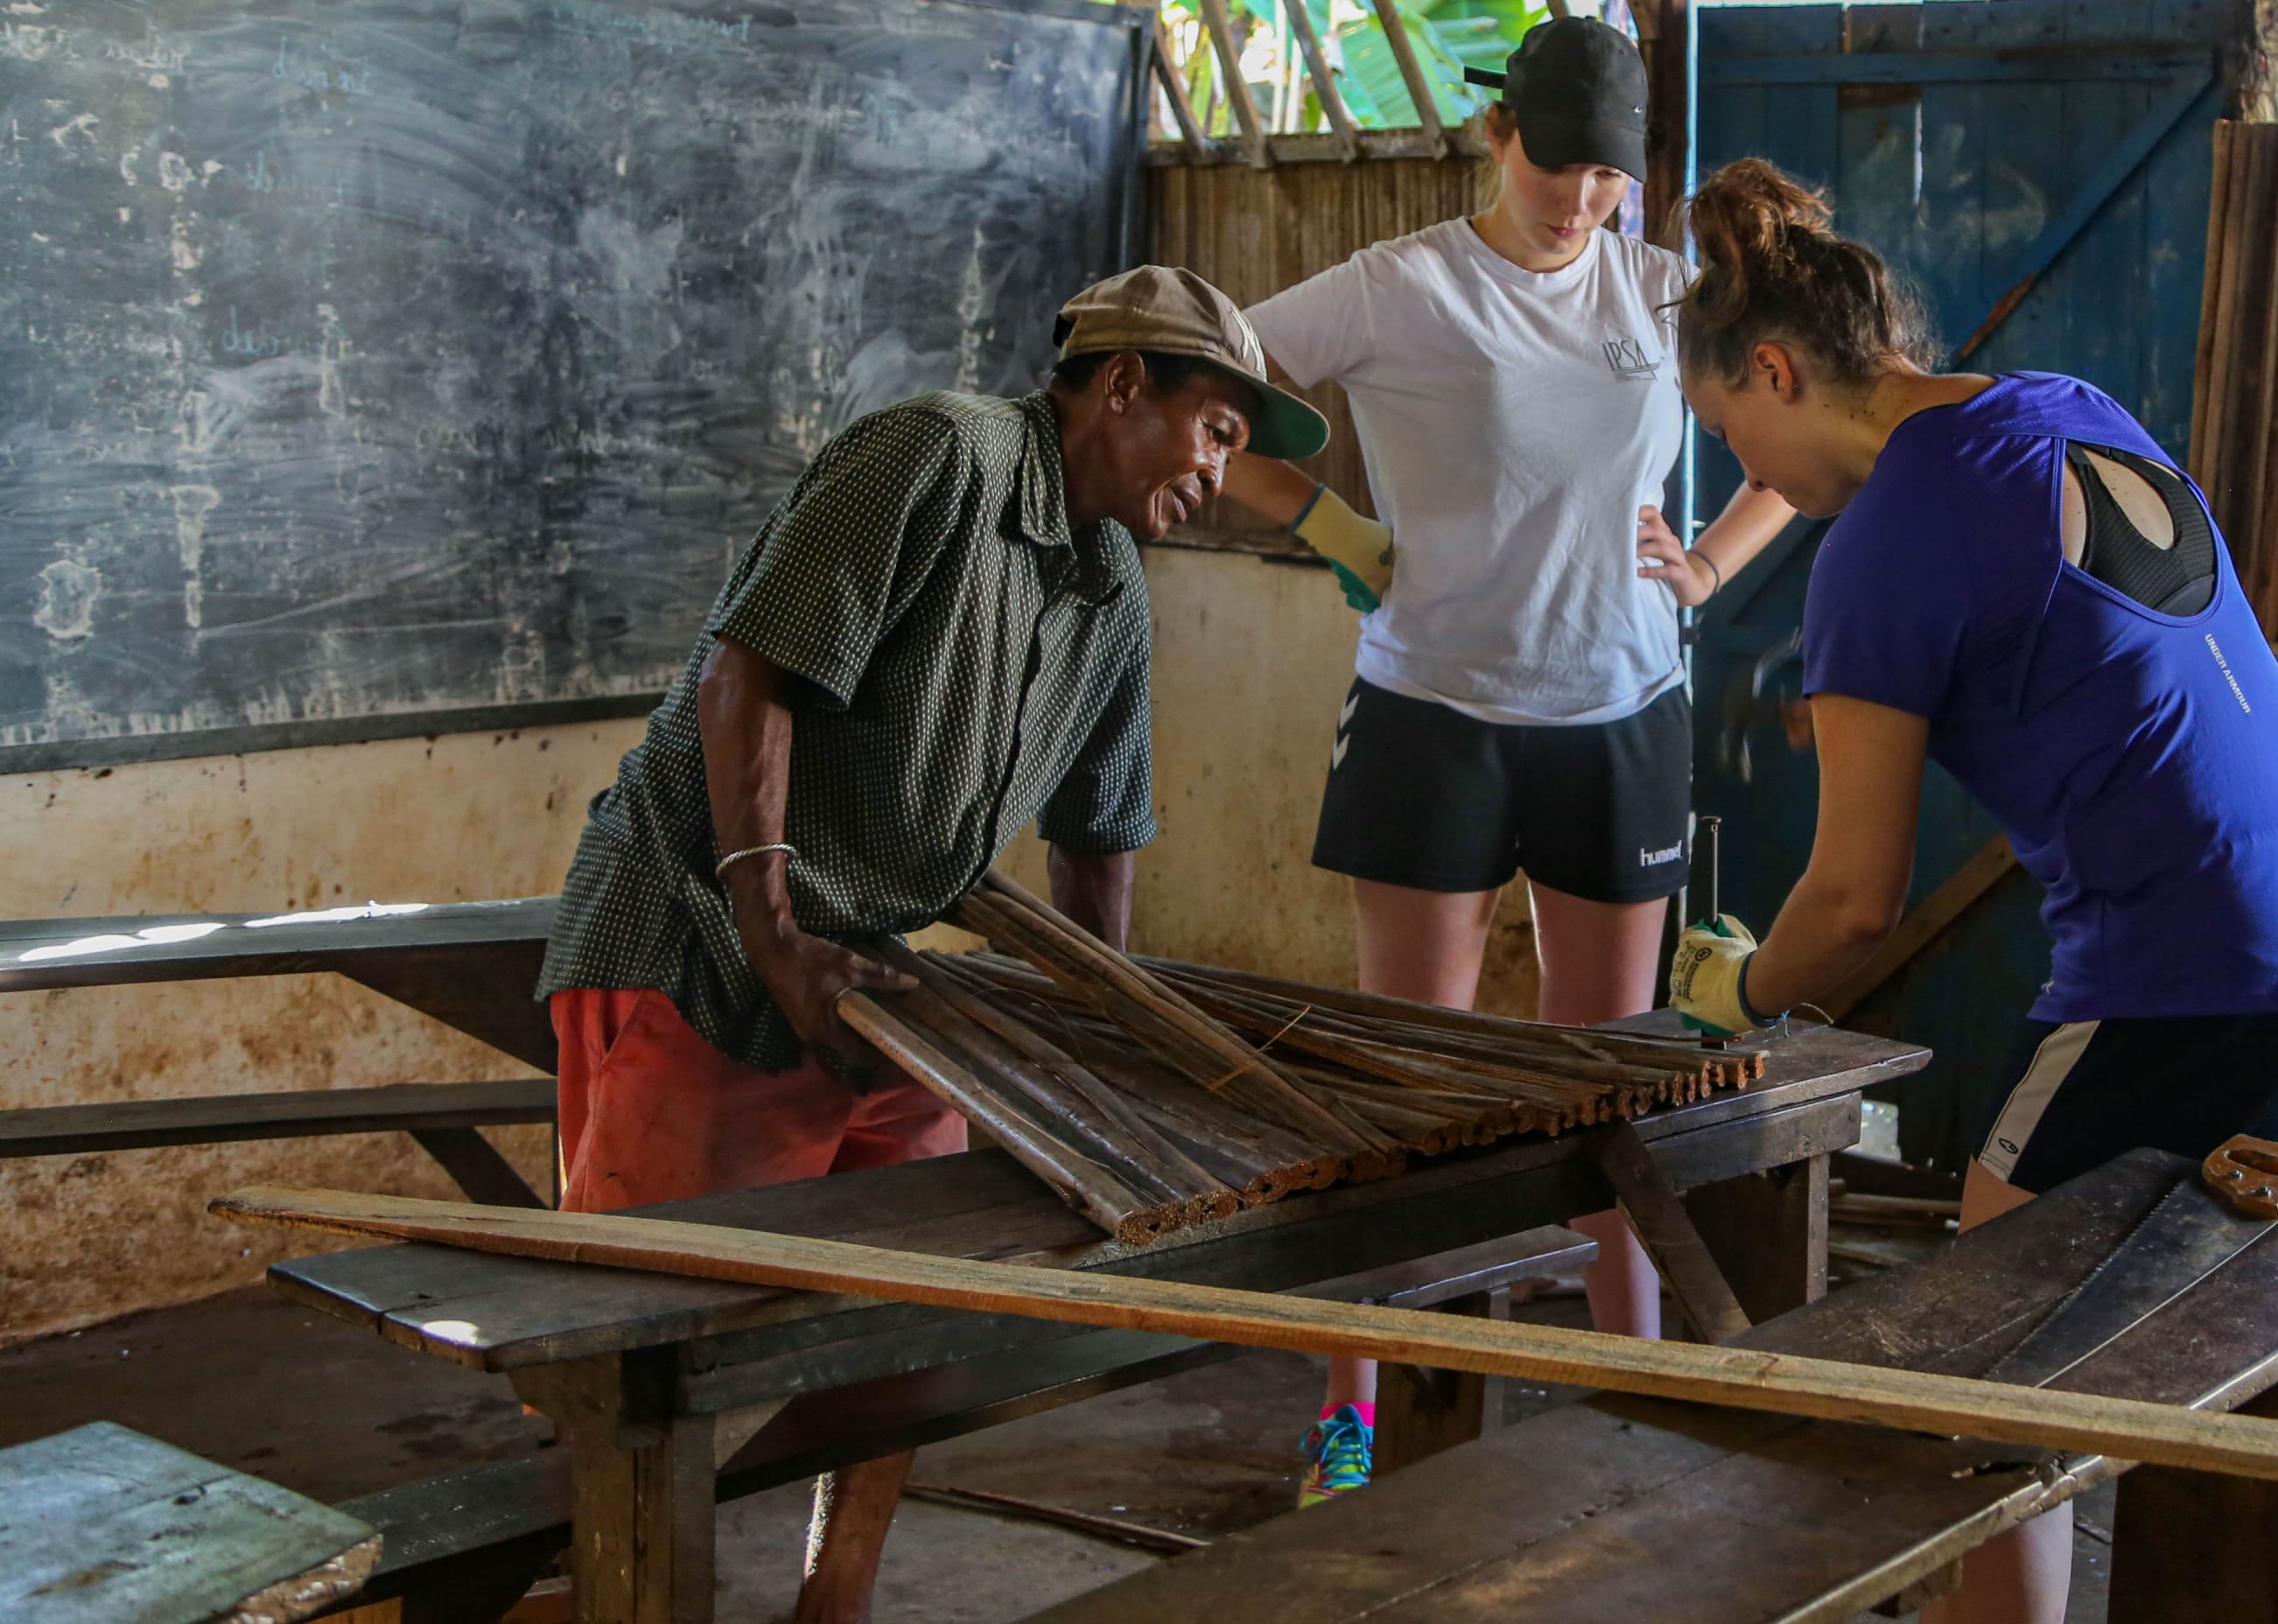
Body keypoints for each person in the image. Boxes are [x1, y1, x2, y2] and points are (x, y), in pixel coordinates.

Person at [1658, 160, 2278, 1624]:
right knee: (2267, 1386)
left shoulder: (1874, 545)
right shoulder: (2067, 405)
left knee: (1986, 1412)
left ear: (1773, 369)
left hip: (2192, 970)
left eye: (1730, 432)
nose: (1747, 474)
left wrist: (1734, 989)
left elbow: (1854, 904)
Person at [533, 265, 1325, 1621]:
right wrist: (772, 933)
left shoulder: (1113, 584)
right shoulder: (938, 455)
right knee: (649, 1351)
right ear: (1125, 383)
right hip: (704, 951)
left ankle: (829, 1605)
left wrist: (1086, 1068)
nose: (1218, 472)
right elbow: (749, 673)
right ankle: (597, 1592)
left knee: (913, 1331)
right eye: (1216, 432)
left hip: (878, 988)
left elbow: (1099, 840)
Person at [1216, 16, 1801, 1506]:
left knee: (1609, 1095)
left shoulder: (1667, 291)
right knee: (1408, 1093)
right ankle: (1351, 1425)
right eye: (1557, 168)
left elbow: (1817, 419)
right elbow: (1200, 380)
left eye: (1610, 176)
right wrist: (1333, 525)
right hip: (1433, 715)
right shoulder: (1400, 286)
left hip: (1618, 715)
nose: (1581, 201)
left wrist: (1714, 562)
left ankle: (1635, 1400)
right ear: (1498, 140)